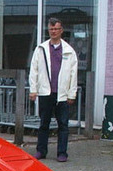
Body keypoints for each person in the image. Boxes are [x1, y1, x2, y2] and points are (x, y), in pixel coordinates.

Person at [28, 17, 78, 162]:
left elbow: (74, 74)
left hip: (62, 94)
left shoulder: (69, 51)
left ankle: (62, 153)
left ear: (61, 30)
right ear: (48, 30)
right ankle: (41, 151)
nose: (54, 31)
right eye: (51, 29)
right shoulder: (41, 49)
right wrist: (33, 89)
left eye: (56, 29)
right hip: (45, 92)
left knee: (63, 124)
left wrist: (71, 94)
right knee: (44, 123)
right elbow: (34, 70)